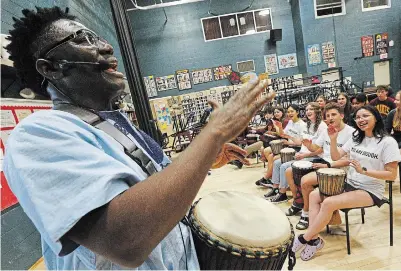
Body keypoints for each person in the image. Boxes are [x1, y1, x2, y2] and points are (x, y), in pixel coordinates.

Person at [3, 7, 275, 270]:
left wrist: (205, 156)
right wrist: (213, 134)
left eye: (98, 37)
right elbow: (123, 242)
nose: (107, 47)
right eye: (84, 40)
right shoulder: (37, 135)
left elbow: (153, 186)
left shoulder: (112, 124)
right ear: (50, 68)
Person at [292, 105, 400, 261]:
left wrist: (364, 172)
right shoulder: (357, 136)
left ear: (376, 117)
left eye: (365, 116)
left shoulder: (387, 142)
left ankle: (303, 238)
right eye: (358, 117)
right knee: (315, 195)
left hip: (370, 190)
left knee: (328, 203)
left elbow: (392, 175)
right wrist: (334, 140)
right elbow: (336, 157)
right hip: (350, 183)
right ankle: (314, 240)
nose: (361, 120)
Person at [289, 102, 355, 230]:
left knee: (305, 181)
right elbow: (316, 147)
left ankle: (306, 213)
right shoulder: (327, 130)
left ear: (341, 115)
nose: (330, 118)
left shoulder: (351, 133)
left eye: (333, 114)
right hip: (325, 164)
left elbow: (347, 160)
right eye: (328, 115)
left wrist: (326, 165)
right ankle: (302, 205)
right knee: (291, 171)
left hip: (340, 169)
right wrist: (309, 145)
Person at [265, 102, 326, 204]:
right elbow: (299, 141)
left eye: (311, 109)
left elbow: (321, 149)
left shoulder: (321, 126)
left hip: (314, 156)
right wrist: (287, 135)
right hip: (302, 153)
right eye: (306, 110)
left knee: (284, 166)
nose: (308, 112)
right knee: (276, 163)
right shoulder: (308, 124)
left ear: (317, 111)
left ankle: (285, 194)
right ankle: (276, 188)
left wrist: (304, 155)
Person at [255, 104, 306, 188]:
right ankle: (271, 179)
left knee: (274, 158)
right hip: (289, 146)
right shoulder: (290, 122)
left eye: (292, 111)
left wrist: (288, 142)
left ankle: (270, 179)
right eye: (288, 112)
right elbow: (283, 134)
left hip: (296, 148)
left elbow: (301, 143)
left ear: (297, 112)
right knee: (271, 155)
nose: (290, 113)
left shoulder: (302, 125)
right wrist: (278, 128)